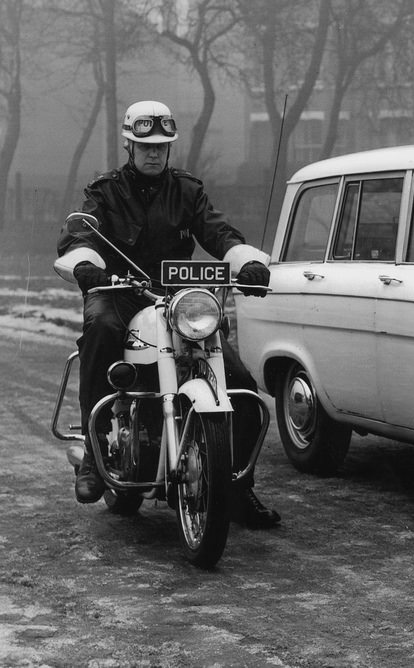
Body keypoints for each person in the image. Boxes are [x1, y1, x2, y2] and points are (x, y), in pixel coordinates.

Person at [54, 100, 281, 529]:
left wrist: (245, 261)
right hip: (118, 291)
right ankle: (94, 449)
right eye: (145, 145)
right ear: (129, 145)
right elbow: (80, 233)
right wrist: (85, 263)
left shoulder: (188, 191)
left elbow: (219, 232)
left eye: (161, 145)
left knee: (241, 382)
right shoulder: (105, 191)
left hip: (178, 298)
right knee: (100, 326)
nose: (154, 152)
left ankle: (238, 485)